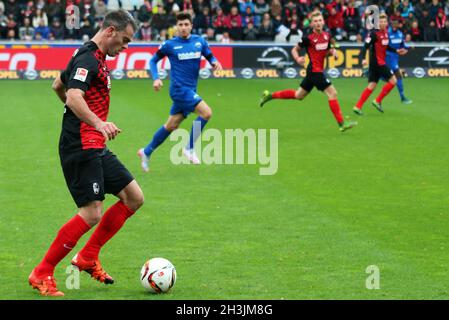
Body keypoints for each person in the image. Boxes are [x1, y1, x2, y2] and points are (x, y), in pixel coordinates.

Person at [29, 10, 143, 297]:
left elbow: (58, 85)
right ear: (110, 31)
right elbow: (73, 95)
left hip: (94, 143)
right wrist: (96, 122)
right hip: (81, 145)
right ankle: (41, 272)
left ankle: (88, 256)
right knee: (91, 212)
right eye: (125, 40)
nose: (126, 47)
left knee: (133, 197)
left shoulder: (93, 57)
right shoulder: (87, 59)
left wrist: (83, 117)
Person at [137, 12, 222, 171]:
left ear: (191, 26)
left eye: (186, 24)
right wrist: (156, 78)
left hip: (190, 90)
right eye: (180, 25)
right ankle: (189, 148)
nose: (183, 28)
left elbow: (209, 56)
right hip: (178, 90)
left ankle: (146, 152)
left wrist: (215, 62)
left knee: (170, 125)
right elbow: (153, 60)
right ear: (177, 26)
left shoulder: (199, 41)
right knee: (206, 113)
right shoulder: (170, 44)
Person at [259, 12, 357, 132]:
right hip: (315, 71)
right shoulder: (308, 38)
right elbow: (294, 49)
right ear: (312, 24)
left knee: (298, 95)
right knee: (332, 93)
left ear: (323, 22)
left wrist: (333, 52)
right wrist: (297, 58)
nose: (318, 23)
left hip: (314, 71)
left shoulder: (327, 36)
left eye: (320, 20)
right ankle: (342, 123)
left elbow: (326, 51)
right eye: (315, 21)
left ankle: (270, 96)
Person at [353, 13, 407, 115]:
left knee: (372, 85)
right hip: (378, 63)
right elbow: (365, 46)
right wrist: (364, 59)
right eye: (380, 22)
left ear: (387, 23)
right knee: (393, 80)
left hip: (378, 63)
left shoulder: (386, 33)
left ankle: (358, 106)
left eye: (384, 21)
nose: (382, 23)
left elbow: (386, 47)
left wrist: (397, 51)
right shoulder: (374, 34)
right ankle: (377, 100)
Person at [386, 19, 412, 104]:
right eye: (392, 25)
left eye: (395, 25)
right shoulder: (388, 33)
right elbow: (384, 46)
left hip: (395, 58)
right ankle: (402, 97)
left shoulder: (400, 34)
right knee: (398, 76)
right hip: (388, 57)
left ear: (398, 26)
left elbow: (402, 45)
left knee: (391, 77)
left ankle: (371, 72)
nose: (394, 27)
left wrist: (406, 49)